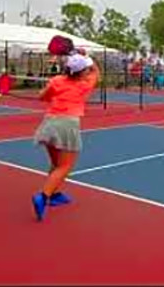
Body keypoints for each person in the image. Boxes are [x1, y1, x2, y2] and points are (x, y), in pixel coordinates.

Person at [31, 51, 99, 221]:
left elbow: (42, 97)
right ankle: (43, 196)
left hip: (49, 122)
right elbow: (96, 72)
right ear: (82, 72)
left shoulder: (56, 81)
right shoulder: (85, 84)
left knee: (55, 163)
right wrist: (88, 56)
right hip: (67, 124)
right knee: (64, 166)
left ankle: (54, 194)